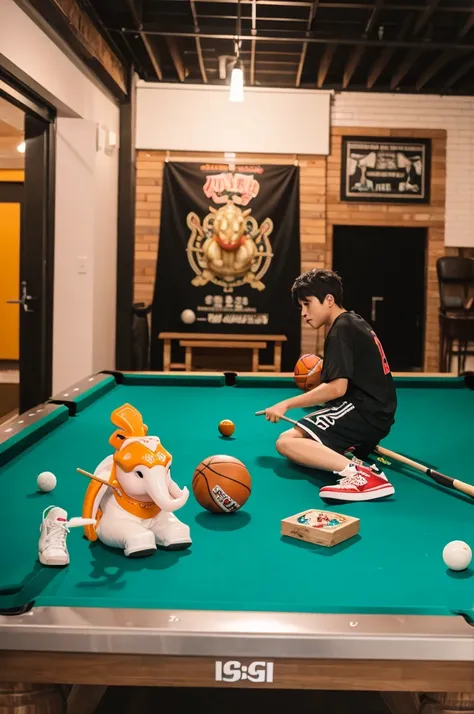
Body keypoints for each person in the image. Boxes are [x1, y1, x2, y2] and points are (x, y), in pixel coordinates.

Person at [263, 268, 397, 502]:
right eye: (300, 307)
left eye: (307, 304)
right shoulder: (353, 321)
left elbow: (337, 388)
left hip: (364, 412)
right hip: (376, 413)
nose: (303, 313)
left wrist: (285, 405)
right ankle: (350, 455)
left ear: (329, 300)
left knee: (286, 442)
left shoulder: (340, 330)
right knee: (301, 442)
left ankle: (361, 476)